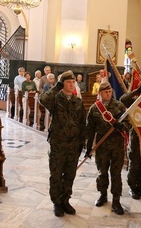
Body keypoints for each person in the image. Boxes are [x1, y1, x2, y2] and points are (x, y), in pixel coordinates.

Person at [39, 70, 86, 217]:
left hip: (73, 145)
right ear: (62, 84)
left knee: (70, 175)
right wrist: (56, 87)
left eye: (73, 82)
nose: (72, 84)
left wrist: (82, 144)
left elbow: (82, 124)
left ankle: (66, 200)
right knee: (56, 174)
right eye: (68, 82)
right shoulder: (55, 99)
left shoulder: (78, 101)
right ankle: (57, 203)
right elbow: (42, 100)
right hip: (58, 145)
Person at [86, 82, 129, 215]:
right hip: (101, 145)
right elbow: (90, 129)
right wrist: (88, 147)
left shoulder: (119, 106)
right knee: (102, 171)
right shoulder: (94, 109)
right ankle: (102, 195)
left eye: (110, 91)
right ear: (100, 93)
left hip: (116, 144)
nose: (108, 94)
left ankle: (116, 200)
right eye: (105, 92)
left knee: (116, 173)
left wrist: (121, 126)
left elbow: (128, 123)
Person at [120, 80, 141, 200]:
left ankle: (139, 185)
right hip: (135, 136)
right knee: (134, 164)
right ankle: (132, 187)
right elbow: (123, 99)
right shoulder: (134, 102)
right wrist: (137, 91)